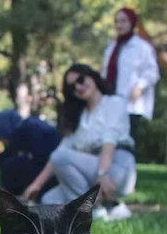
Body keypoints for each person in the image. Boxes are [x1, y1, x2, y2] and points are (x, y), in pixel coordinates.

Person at [23, 64, 137, 221]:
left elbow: (109, 142)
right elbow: (59, 153)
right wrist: (36, 184)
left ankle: (92, 210)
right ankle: (112, 207)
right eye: (72, 87)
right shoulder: (79, 117)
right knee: (49, 200)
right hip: (93, 171)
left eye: (81, 80)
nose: (78, 86)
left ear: (92, 77)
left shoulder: (114, 103)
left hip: (116, 169)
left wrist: (102, 174)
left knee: (61, 158)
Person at [0, 108, 61, 199]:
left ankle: (9, 197)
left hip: (53, 175)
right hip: (52, 171)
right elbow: (1, 157)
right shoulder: (25, 128)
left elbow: (5, 157)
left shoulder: (30, 132)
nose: (0, 139)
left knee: (10, 165)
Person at [102, 7, 160, 159]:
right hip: (110, 102)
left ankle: (128, 178)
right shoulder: (111, 48)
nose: (119, 25)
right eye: (116, 21)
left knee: (127, 144)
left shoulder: (142, 47)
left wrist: (139, 86)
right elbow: (104, 75)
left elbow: (152, 72)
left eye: (123, 21)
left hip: (131, 104)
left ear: (132, 23)